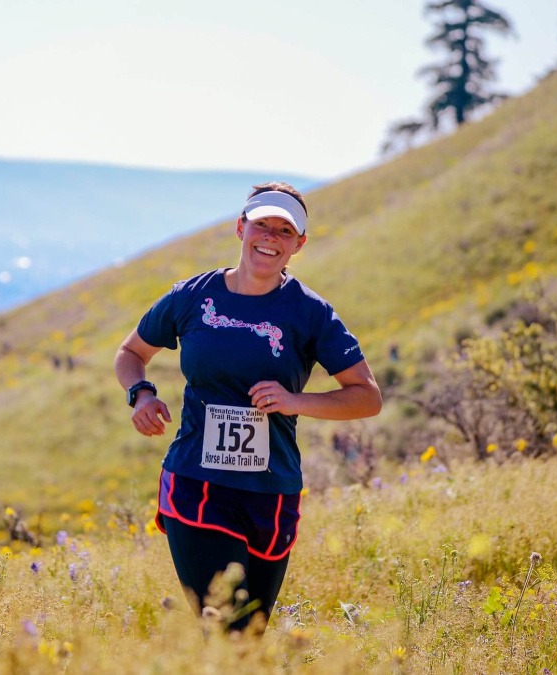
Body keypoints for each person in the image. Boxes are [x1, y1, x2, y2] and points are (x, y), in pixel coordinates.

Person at [113, 181, 382, 633]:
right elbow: (130, 353)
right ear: (241, 228)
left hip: (271, 491)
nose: (270, 238)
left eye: (284, 231)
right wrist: (140, 393)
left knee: (249, 638)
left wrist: (295, 401)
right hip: (198, 483)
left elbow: (367, 396)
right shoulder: (192, 297)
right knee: (227, 630)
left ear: (299, 244)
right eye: (262, 226)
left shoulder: (310, 313)